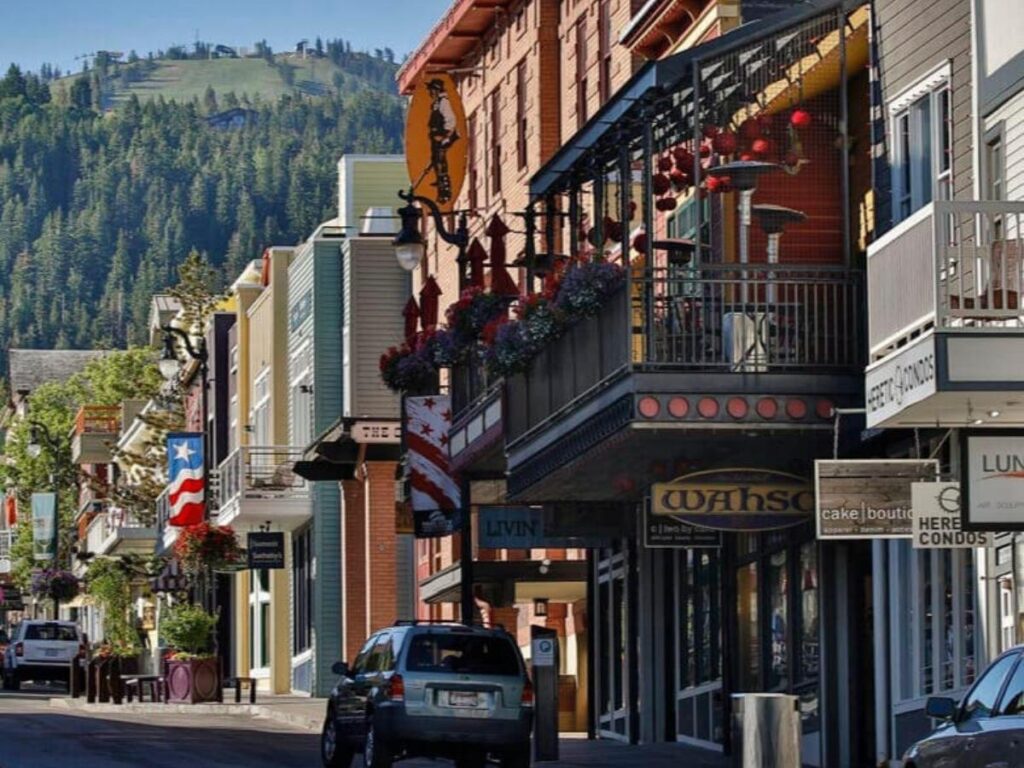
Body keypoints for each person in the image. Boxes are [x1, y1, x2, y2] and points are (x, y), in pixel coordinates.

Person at [425, 78, 459, 204]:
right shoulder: (437, 103)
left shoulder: (444, 102)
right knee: (436, 161)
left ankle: (444, 190)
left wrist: (444, 136)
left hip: (442, 139)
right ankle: (440, 184)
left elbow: (451, 120)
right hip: (436, 139)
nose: (430, 92)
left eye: (431, 90)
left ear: (437, 90)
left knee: (440, 162)